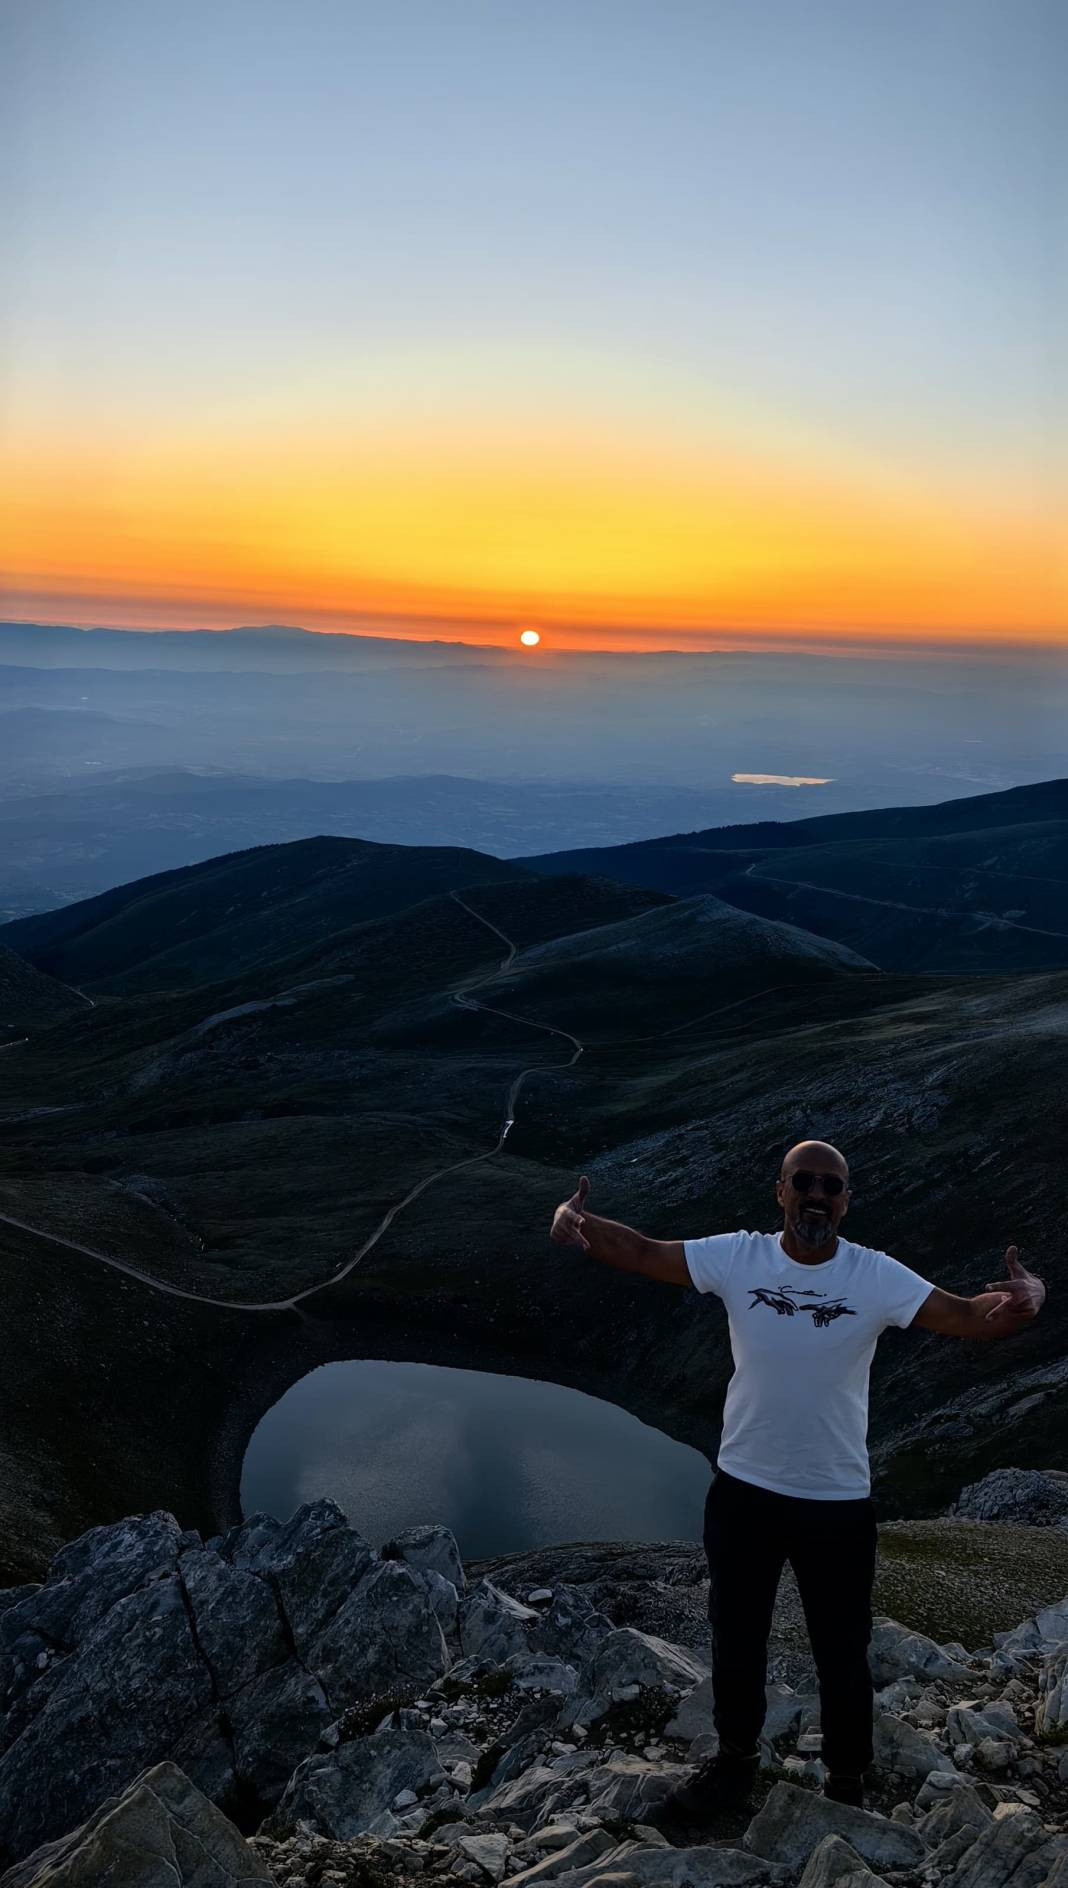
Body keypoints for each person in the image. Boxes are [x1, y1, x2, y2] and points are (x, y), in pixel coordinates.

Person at [549, 1139, 1046, 1820]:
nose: (817, 1196)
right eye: (804, 1182)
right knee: (736, 1637)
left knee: (841, 1650)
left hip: (835, 1501)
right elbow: (642, 1251)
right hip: (744, 1490)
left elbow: (965, 1315)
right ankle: (733, 1766)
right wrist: (578, 1222)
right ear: (780, 1191)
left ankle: (846, 1785)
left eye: (830, 1187)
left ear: (846, 1202)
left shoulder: (875, 1275)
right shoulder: (739, 1256)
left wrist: (1028, 1299)